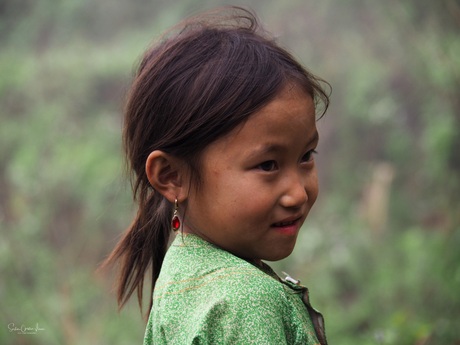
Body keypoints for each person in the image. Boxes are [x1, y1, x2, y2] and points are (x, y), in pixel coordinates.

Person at [104, 6, 330, 345]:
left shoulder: (183, 276)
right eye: (268, 165)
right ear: (171, 176)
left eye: (305, 157)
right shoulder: (246, 302)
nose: (297, 194)